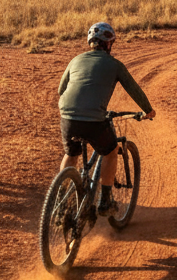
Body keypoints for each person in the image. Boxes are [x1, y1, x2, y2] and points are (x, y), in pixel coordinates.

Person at [58, 22, 156, 216]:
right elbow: (133, 89)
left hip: (67, 117)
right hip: (94, 120)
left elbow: (61, 90)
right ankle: (105, 202)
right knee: (110, 152)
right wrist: (148, 110)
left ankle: (61, 200)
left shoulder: (75, 60)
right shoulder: (114, 64)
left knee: (71, 153)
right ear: (109, 44)